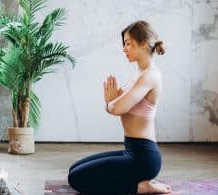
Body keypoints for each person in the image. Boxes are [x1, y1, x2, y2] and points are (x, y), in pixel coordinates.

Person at [68, 20, 172, 194]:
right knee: (74, 169)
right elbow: (117, 106)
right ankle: (138, 183)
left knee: (76, 179)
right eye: (124, 44)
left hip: (143, 158)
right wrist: (112, 103)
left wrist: (110, 103)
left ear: (144, 44)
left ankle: (139, 187)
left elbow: (117, 108)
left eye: (128, 44)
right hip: (131, 150)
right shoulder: (140, 75)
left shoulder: (150, 76)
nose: (124, 48)